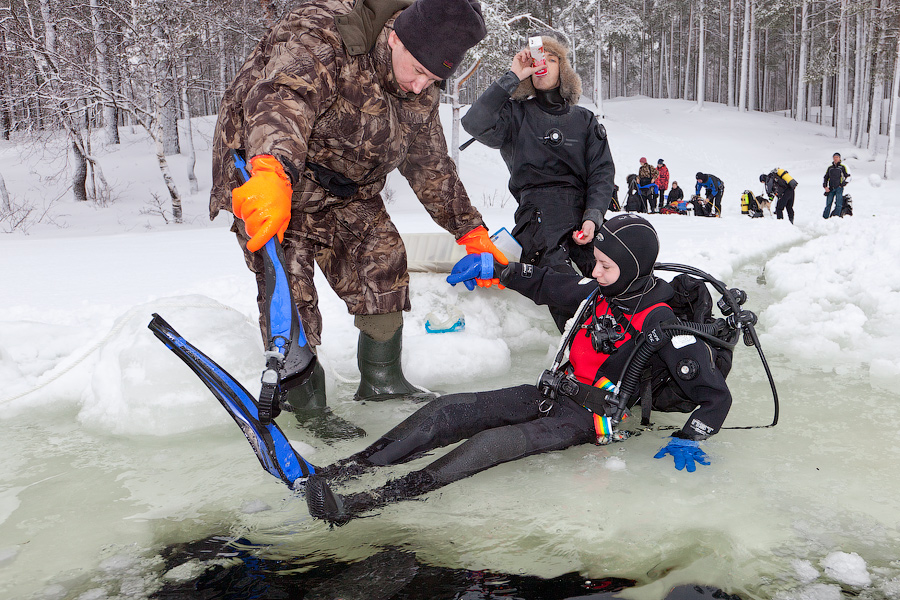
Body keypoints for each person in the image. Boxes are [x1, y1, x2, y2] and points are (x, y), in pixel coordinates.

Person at [305, 214, 734, 525]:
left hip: (591, 418)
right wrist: (498, 268)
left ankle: (366, 502)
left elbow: (715, 397)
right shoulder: (599, 290)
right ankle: (342, 471)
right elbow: (545, 282)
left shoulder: (660, 321)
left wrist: (690, 438)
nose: (596, 272)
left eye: (606, 266)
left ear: (634, 268)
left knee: (492, 443)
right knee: (447, 410)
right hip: (552, 393)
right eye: (596, 261)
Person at [209, 0, 507, 439]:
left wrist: (470, 230)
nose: (420, 85)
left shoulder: (420, 84)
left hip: (347, 184)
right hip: (275, 175)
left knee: (383, 257)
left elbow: (429, 164)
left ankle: (383, 381)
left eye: (433, 79)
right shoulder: (322, 34)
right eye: (418, 70)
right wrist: (271, 169)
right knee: (288, 288)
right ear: (395, 37)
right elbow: (283, 98)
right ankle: (308, 408)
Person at [461, 33, 615, 332]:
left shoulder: (584, 120)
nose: (542, 64)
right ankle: (584, 346)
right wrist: (513, 76)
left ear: (563, 70)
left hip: (583, 215)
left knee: (613, 271)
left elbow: (602, 173)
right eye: (536, 60)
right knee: (563, 283)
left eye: (551, 59)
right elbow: (474, 123)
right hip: (537, 216)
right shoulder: (514, 115)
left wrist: (593, 217)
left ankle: (635, 341)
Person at [823, 153, 851, 219]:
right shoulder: (830, 168)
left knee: (839, 204)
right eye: (834, 157)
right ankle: (825, 218)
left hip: (839, 188)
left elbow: (849, 177)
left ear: (839, 158)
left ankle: (836, 217)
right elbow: (826, 177)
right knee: (828, 204)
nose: (835, 159)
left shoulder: (843, 167)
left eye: (837, 157)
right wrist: (825, 186)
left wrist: (842, 185)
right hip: (831, 188)